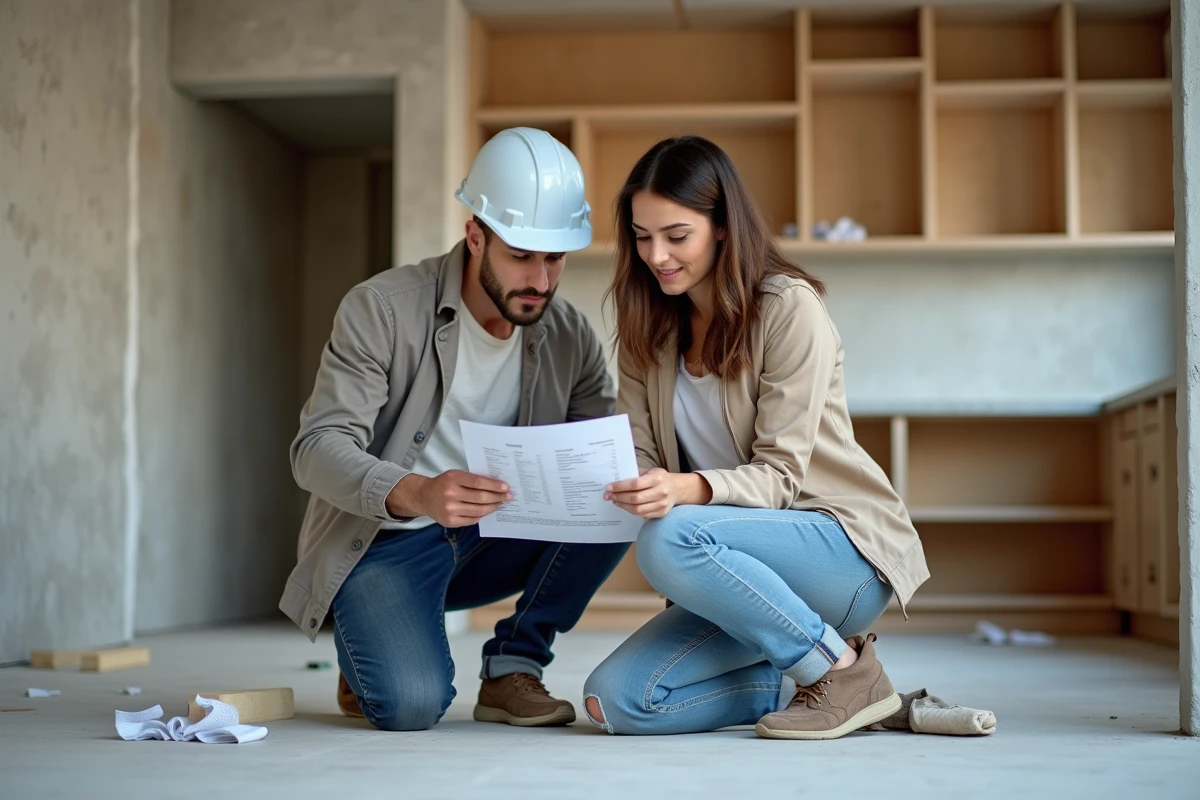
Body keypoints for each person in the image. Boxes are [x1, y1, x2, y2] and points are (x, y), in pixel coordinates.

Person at [281, 127, 629, 732]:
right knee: (410, 705)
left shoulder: (569, 335)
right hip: (386, 539)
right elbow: (315, 450)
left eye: (555, 258)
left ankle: (513, 667)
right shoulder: (382, 309)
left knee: (621, 497)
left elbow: (597, 457)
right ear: (475, 236)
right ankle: (372, 643)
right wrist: (418, 493)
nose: (541, 281)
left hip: (498, 537)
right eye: (521, 255)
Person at [582, 135, 929, 740]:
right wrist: (621, 481)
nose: (656, 254)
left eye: (676, 235)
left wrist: (683, 489)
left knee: (668, 537)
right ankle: (799, 679)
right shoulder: (649, 332)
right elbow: (637, 451)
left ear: (721, 227)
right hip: (736, 568)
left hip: (839, 552)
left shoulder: (788, 309)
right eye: (642, 236)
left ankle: (842, 675)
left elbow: (782, 477)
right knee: (615, 701)